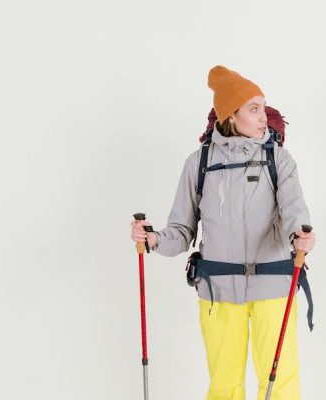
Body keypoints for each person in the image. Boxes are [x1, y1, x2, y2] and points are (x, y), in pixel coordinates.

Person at [132, 65, 315, 400]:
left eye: (263, 108)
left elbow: (294, 212)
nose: (264, 117)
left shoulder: (279, 160)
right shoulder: (198, 163)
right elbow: (181, 230)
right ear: (231, 114)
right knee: (224, 386)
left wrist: (299, 237)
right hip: (217, 291)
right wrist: (154, 239)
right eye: (254, 109)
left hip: (272, 287)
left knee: (281, 384)